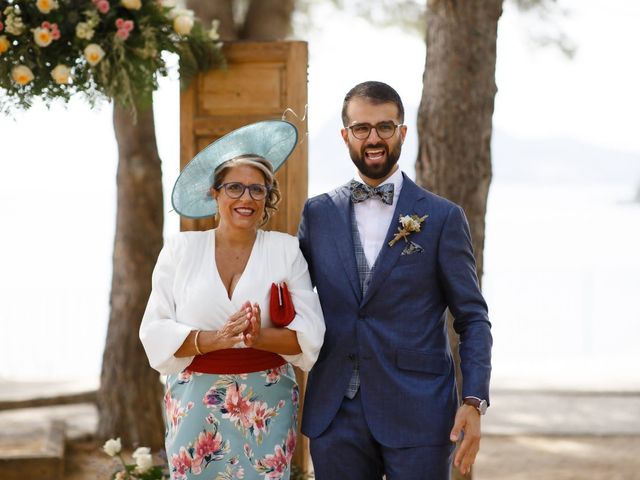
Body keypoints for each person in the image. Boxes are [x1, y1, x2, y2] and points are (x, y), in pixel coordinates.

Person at [298, 81, 492, 479]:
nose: (374, 138)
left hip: (419, 411)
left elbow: (472, 319)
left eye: (385, 127)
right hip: (335, 415)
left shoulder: (441, 218)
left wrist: (473, 400)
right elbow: (290, 301)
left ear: (402, 133)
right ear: (345, 135)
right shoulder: (317, 214)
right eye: (362, 128)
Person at [140, 120, 325, 480]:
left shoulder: (286, 250)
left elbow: (310, 334)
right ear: (214, 192)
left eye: (258, 190)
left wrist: (259, 337)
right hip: (194, 401)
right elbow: (155, 329)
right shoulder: (181, 249)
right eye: (235, 187)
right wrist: (212, 340)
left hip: (267, 404)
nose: (247, 199)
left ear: (268, 196)